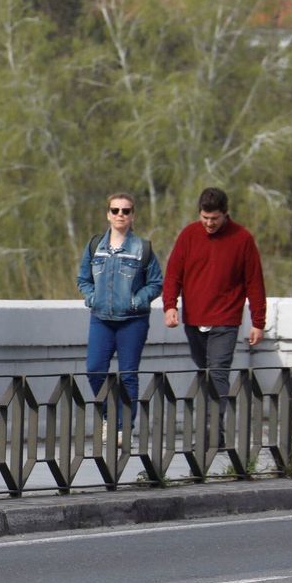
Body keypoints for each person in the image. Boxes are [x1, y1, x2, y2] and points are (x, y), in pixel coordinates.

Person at [160, 187, 266, 446]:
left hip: (226, 319)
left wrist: (258, 322)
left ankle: (212, 434)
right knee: (205, 372)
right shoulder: (188, 235)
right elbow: (174, 273)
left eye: (214, 219)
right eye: (204, 218)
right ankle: (212, 429)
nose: (209, 223)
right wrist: (170, 305)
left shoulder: (242, 239)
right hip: (194, 319)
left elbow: (254, 283)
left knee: (218, 373)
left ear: (225, 214)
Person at [77, 192, 163, 435]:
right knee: (94, 369)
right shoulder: (95, 246)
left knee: (128, 375)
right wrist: (92, 297)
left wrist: (138, 300)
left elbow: (156, 283)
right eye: (115, 210)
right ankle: (109, 417)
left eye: (125, 211)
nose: (120, 215)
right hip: (101, 318)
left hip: (132, 321)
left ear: (133, 215)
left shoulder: (142, 248)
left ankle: (124, 428)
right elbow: (83, 279)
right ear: (108, 214)